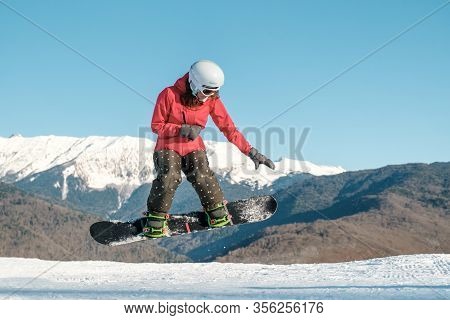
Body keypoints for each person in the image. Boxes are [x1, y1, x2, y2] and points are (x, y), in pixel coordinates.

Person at [144, 60, 275, 238]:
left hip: (193, 147)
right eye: (206, 91)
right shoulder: (168, 95)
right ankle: (156, 219)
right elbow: (156, 125)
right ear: (194, 83)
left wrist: (251, 152)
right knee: (169, 177)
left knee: (201, 174)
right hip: (167, 146)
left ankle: (215, 210)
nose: (209, 96)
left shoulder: (211, 100)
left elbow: (229, 128)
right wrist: (181, 129)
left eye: (214, 92)